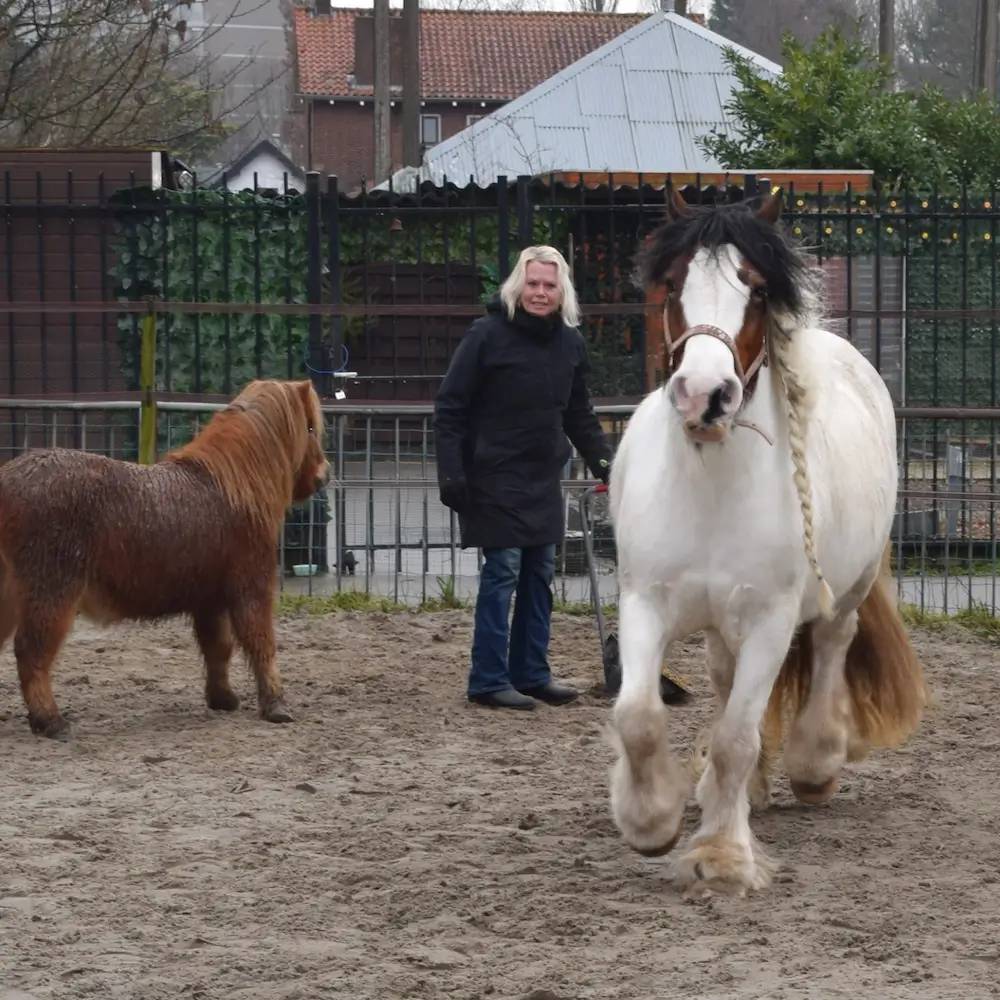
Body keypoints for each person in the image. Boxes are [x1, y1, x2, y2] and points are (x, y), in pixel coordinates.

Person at [433, 245, 613, 711]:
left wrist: (608, 466)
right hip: (492, 474)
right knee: (503, 573)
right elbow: (450, 406)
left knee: (540, 575)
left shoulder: (570, 344)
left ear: (562, 291)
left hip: (542, 476)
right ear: (518, 285)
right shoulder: (486, 335)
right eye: (532, 283)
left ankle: (531, 674)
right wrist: (451, 472)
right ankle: (488, 680)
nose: (539, 292)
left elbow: (579, 414)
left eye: (549, 285)